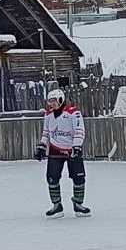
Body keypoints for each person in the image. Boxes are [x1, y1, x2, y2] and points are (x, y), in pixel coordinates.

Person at [34, 89, 90, 218]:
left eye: (54, 101)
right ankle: (57, 206)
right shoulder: (48, 115)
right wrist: (41, 147)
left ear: (60, 100)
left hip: (72, 150)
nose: (51, 104)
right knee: (52, 178)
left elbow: (79, 130)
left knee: (79, 178)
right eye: (50, 101)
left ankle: (78, 204)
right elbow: (46, 133)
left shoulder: (73, 113)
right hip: (55, 149)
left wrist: (77, 146)